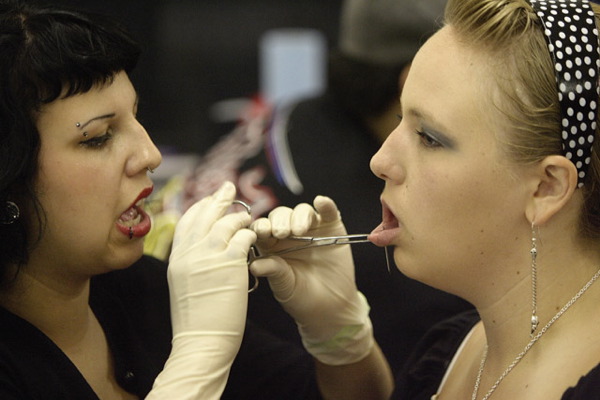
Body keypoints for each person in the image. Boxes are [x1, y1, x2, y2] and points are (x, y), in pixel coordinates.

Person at [249, 0, 600, 398]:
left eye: (430, 138)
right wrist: (340, 338)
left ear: (546, 187)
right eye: (400, 119)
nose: (380, 161)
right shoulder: (449, 350)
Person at [0, 1, 261, 399]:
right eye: (98, 137)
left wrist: (338, 336)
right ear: (10, 177)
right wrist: (197, 360)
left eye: (136, 117)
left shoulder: (145, 291)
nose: (150, 155)